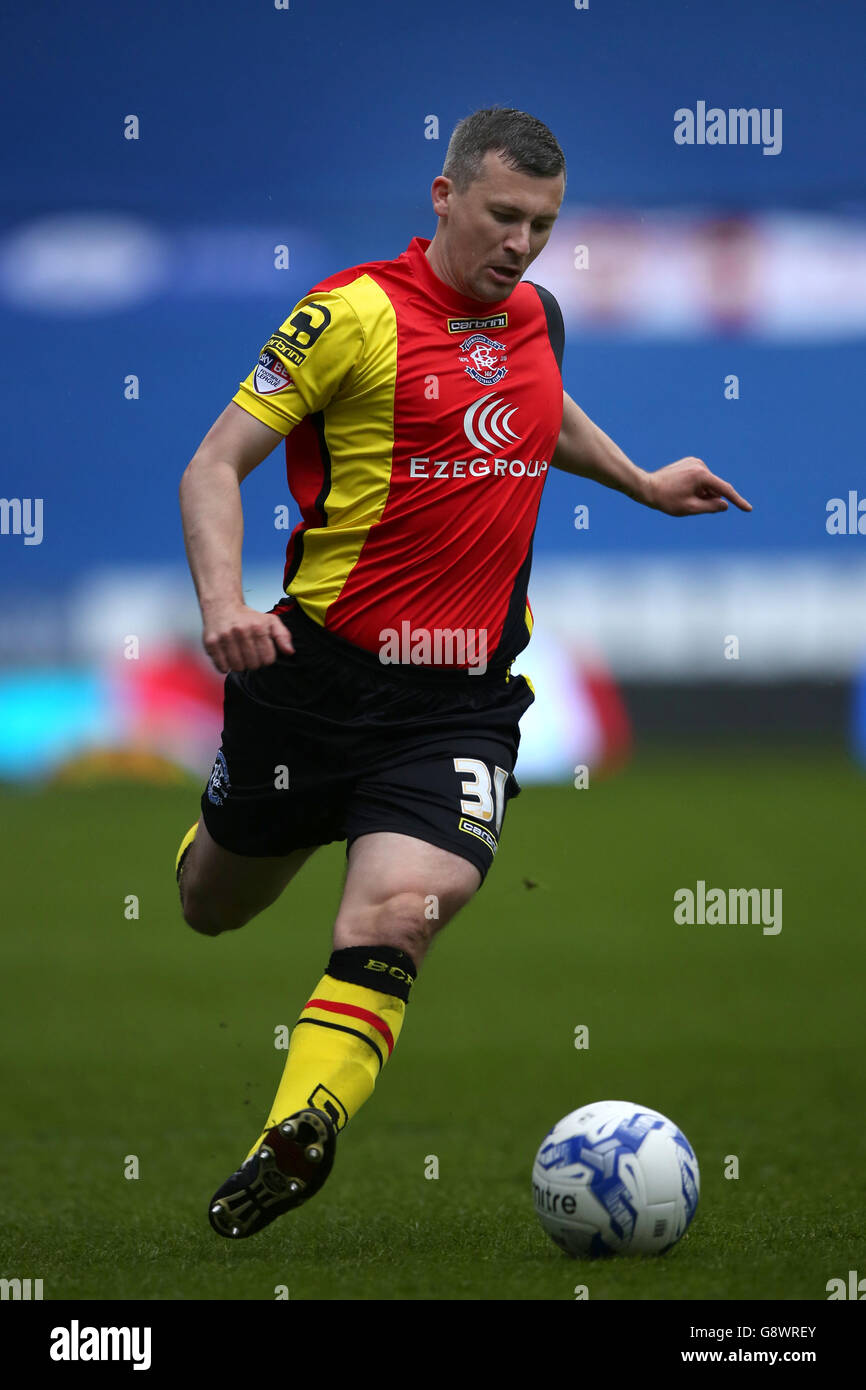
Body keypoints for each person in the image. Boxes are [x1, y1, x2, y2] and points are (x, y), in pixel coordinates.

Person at [176, 106, 751, 1240]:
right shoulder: (348, 316)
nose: (521, 246)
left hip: (461, 701)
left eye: (541, 224)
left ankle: (295, 1130)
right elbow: (212, 465)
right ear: (442, 200)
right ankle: (217, 836)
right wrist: (222, 609)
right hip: (315, 678)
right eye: (501, 217)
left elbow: (532, 413)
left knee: (400, 909)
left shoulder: (537, 316)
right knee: (210, 904)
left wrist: (636, 477)